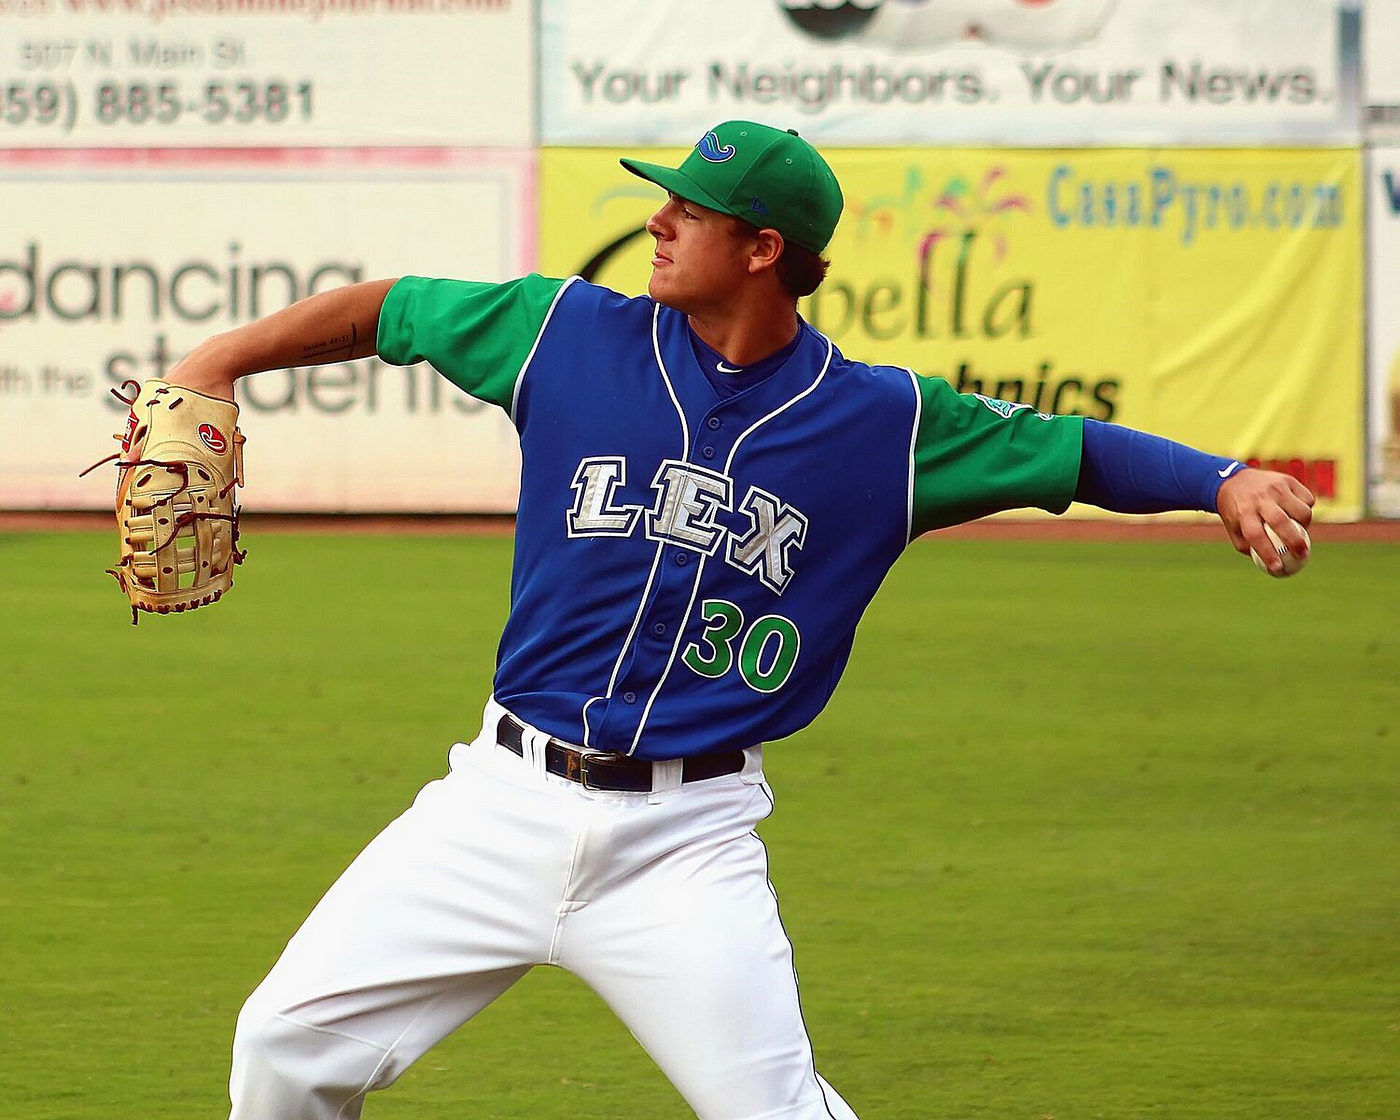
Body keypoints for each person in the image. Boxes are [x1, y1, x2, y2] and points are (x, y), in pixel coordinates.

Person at [166, 120, 1314, 1120]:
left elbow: (1072, 449)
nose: (657, 221)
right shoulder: (564, 334)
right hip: (496, 805)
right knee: (282, 1050)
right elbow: (396, 310)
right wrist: (222, 358)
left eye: (689, 208)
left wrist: (1220, 478)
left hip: (683, 842)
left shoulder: (884, 423)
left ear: (762, 250)